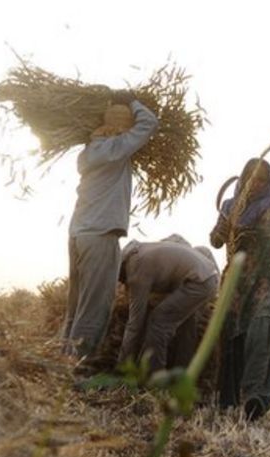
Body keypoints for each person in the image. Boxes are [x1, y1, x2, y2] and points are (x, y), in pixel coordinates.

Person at [210, 121, 270, 420]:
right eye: (252, 178)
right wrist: (226, 228)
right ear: (244, 179)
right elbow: (215, 241)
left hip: (265, 280)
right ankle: (228, 400)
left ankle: (256, 398)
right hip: (235, 283)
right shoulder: (230, 206)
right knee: (230, 337)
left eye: (263, 179)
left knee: (261, 331)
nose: (257, 183)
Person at [62, 90, 159, 359]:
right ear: (121, 127)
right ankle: (76, 367)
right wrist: (132, 102)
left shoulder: (89, 152)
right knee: (94, 308)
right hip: (100, 236)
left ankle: (59, 367)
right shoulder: (114, 149)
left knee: (77, 307)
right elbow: (149, 124)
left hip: (79, 235)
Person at [116, 238, 220, 372]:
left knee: (158, 322)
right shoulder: (141, 252)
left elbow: (135, 324)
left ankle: (153, 378)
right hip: (206, 276)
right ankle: (180, 375)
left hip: (199, 281)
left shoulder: (136, 269)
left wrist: (122, 366)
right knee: (185, 326)